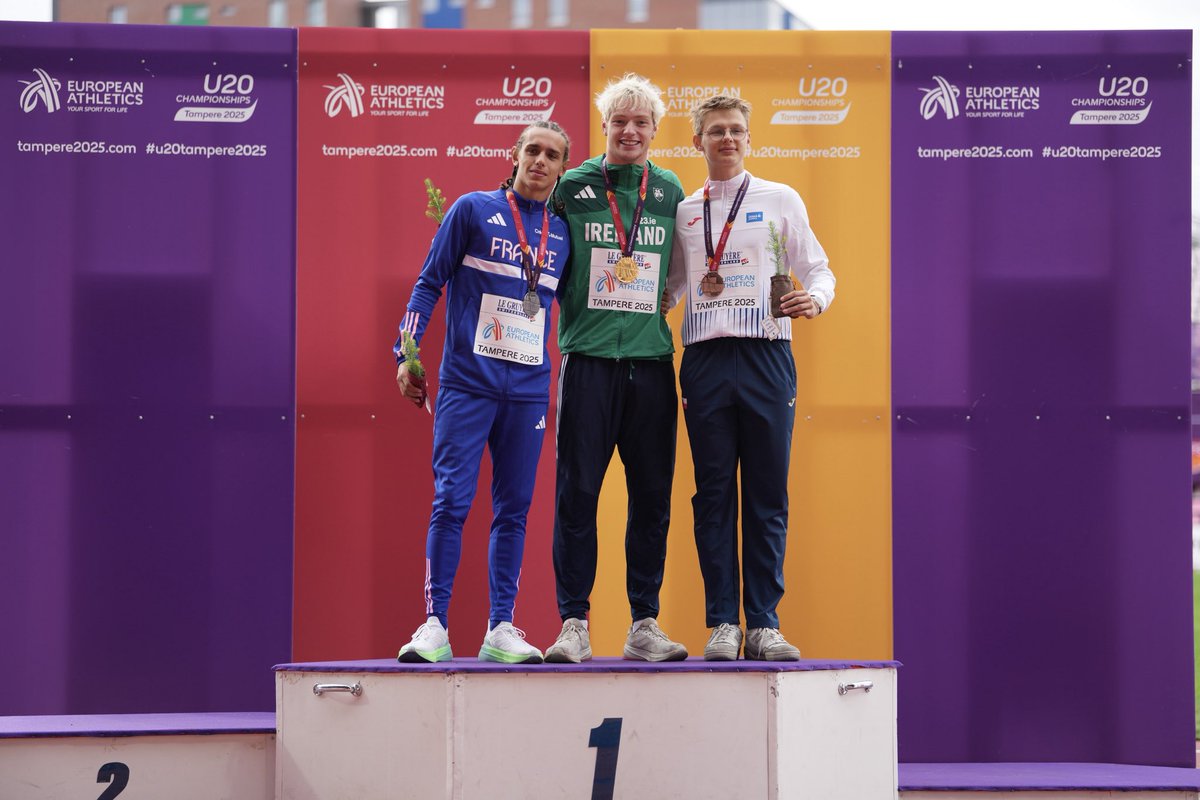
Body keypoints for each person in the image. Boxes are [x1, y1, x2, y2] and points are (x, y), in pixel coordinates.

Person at [394, 121, 571, 665]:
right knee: (451, 500)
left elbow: (578, 310)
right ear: (514, 155)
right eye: (533, 150)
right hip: (467, 386)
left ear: (563, 168)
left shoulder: (563, 233)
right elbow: (428, 282)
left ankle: (501, 627)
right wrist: (405, 353)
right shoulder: (472, 209)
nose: (541, 161)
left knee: (514, 510)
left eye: (553, 155)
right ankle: (434, 624)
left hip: (526, 391)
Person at [666, 95, 835, 661]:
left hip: (767, 356)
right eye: (716, 131)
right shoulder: (686, 212)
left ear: (749, 137)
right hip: (705, 361)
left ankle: (763, 622)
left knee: (767, 491)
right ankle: (722, 623)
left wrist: (816, 299)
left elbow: (818, 268)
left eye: (737, 130)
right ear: (697, 142)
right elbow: (667, 290)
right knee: (712, 493)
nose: (728, 139)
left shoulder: (780, 199)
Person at [544, 74, 688, 663]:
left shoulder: (671, 189)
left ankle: (643, 623)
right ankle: (573, 622)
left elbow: (683, 264)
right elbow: (543, 262)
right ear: (603, 128)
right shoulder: (572, 187)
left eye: (641, 122)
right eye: (619, 121)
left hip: (652, 363)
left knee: (652, 496)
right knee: (577, 493)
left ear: (655, 130)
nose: (630, 131)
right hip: (589, 362)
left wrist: (668, 299)